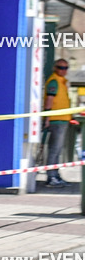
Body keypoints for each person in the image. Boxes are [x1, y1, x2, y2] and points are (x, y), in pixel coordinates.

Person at [43, 59, 72, 188]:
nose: (63, 70)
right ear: (55, 67)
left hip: (62, 119)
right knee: (54, 150)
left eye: (66, 68)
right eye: (60, 67)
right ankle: (51, 177)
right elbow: (49, 99)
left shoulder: (62, 82)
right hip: (56, 120)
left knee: (58, 150)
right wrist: (47, 117)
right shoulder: (54, 81)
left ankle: (55, 174)